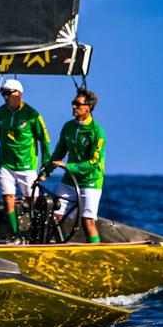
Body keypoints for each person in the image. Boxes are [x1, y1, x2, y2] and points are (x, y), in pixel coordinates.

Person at [43, 89, 106, 243]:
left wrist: (67, 166)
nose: (74, 107)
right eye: (73, 103)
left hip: (90, 181)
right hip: (69, 181)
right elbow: (59, 151)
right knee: (54, 217)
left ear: (89, 107)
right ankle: (57, 246)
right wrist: (45, 171)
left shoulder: (96, 132)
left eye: (78, 104)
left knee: (87, 221)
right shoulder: (68, 127)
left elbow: (93, 163)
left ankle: (95, 253)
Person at [0, 79, 51, 240]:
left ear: (19, 94)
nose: (5, 96)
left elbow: (44, 140)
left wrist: (46, 165)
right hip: (5, 163)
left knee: (31, 200)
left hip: (27, 165)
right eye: (3, 93)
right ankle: (15, 235)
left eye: (8, 93)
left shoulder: (33, 115)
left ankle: (35, 233)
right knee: (8, 198)